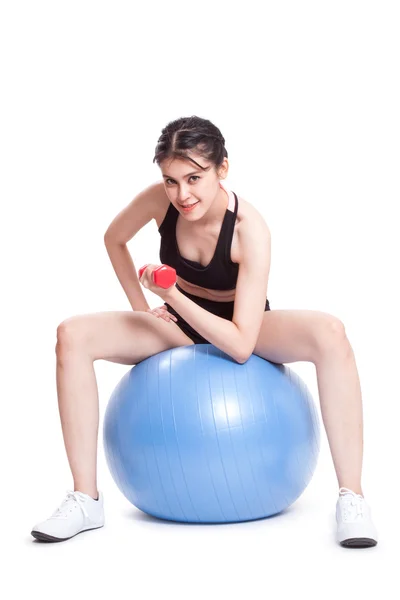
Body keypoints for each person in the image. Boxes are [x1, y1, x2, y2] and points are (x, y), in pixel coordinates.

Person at [31, 115, 378, 548]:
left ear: (222, 169)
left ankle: (353, 497)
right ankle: (86, 498)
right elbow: (113, 238)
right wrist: (143, 311)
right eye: (171, 180)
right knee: (72, 335)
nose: (182, 194)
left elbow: (239, 345)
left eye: (194, 177)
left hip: (241, 325)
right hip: (178, 328)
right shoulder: (160, 202)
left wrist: (172, 295)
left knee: (331, 333)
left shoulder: (250, 230)